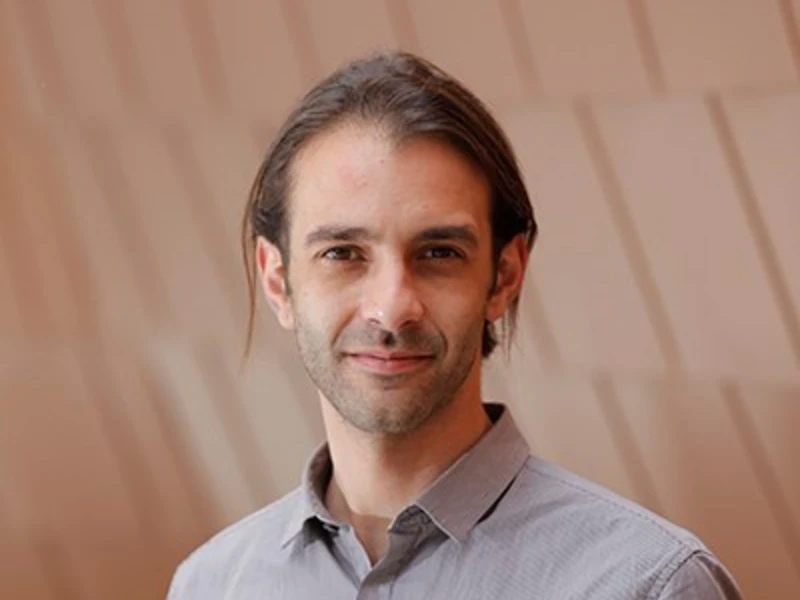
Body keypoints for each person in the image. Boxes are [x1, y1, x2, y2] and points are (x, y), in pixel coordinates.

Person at [167, 52, 742, 599]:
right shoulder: (208, 586)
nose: (391, 308)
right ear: (277, 280)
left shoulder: (651, 586)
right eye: (342, 254)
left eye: (439, 253)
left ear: (504, 276)